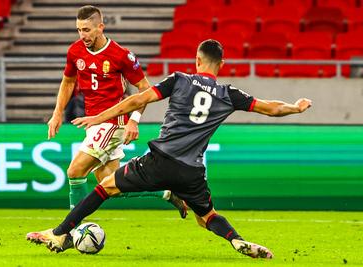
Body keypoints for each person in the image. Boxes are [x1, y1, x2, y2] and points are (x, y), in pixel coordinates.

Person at [27, 39, 312, 258]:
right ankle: (235, 239)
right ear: (221, 64)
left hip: (159, 160)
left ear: (197, 59)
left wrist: (98, 117)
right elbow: (272, 109)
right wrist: (296, 109)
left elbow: (136, 101)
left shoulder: (180, 80)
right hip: (191, 172)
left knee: (105, 188)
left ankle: (59, 232)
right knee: (208, 217)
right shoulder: (230, 94)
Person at [47, 5, 186, 216]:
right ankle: (167, 193)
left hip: (114, 122)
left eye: (87, 30)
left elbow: (144, 88)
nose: (82, 35)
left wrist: (134, 120)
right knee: (109, 185)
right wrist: (57, 113)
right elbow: (68, 81)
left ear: (100, 27)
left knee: (75, 171)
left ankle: (72, 230)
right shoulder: (75, 51)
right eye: (79, 30)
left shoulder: (121, 55)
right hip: (93, 123)